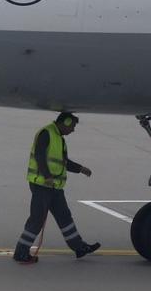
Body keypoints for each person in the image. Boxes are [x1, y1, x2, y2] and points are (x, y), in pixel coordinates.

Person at [13, 112, 101, 264]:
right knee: (36, 220)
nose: (73, 130)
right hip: (42, 185)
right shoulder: (46, 133)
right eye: (72, 126)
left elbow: (62, 161)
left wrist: (80, 168)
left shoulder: (59, 138)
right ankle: (21, 252)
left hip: (54, 187)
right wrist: (47, 176)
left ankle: (79, 247)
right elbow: (40, 156)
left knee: (64, 216)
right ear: (65, 123)